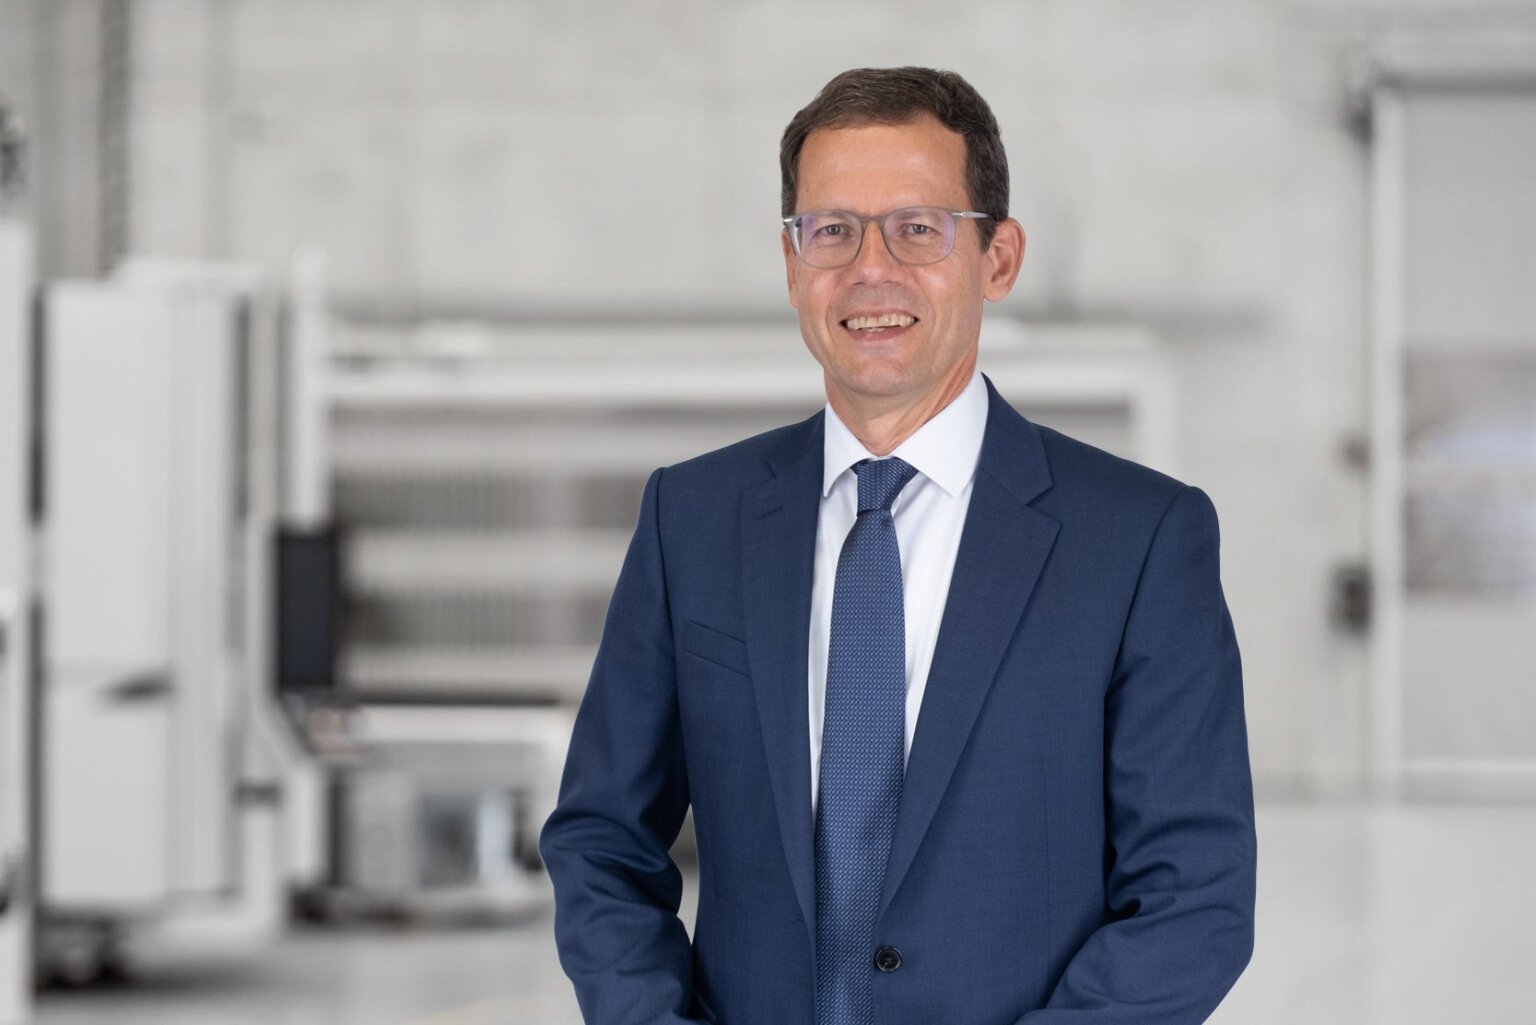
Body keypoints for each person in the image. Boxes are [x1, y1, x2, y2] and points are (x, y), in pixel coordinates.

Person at [540, 66, 1256, 1025]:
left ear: (999, 258)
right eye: (831, 230)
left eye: (918, 228)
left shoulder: (1140, 540)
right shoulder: (692, 519)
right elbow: (601, 842)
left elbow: (1194, 898)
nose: (869, 269)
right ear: (792, 262)